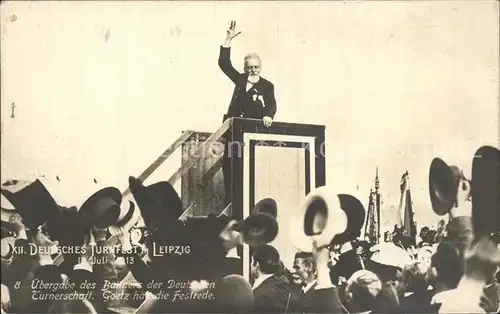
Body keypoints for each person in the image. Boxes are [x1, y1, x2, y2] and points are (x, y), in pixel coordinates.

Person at [218, 20, 277, 205]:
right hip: (233, 131)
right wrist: (227, 40)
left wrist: (269, 116)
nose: (252, 70)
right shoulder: (240, 80)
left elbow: (272, 104)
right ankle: (231, 201)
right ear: (245, 68)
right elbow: (224, 64)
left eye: (256, 67)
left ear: (261, 67)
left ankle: (248, 203)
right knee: (229, 165)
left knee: (249, 167)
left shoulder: (267, 86)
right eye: (249, 67)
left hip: (252, 133)